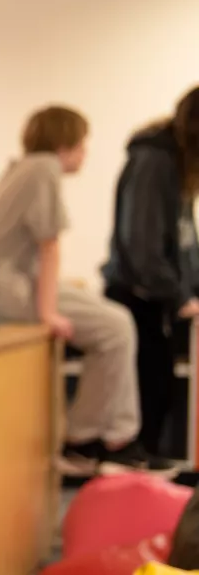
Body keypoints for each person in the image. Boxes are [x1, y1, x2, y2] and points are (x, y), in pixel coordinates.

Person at [0, 105, 173, 476]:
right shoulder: (44, 169)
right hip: (6, 289)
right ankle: (90, 437)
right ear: (66, 143)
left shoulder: (24, 168)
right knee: (115, 326)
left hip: (5, 284)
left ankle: (117, 435)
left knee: (118, 322)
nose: (86, 152)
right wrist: (48, 314)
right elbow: (50, 245)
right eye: (83, 144)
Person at [102, 85, 199, 460]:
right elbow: (141, 242)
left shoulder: (177, 163)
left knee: (160, 391)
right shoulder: (154, 160)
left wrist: (189, 290)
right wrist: (178, 295)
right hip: (137, 295)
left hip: (157, 295)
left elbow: (184, 241)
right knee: (149, 392)